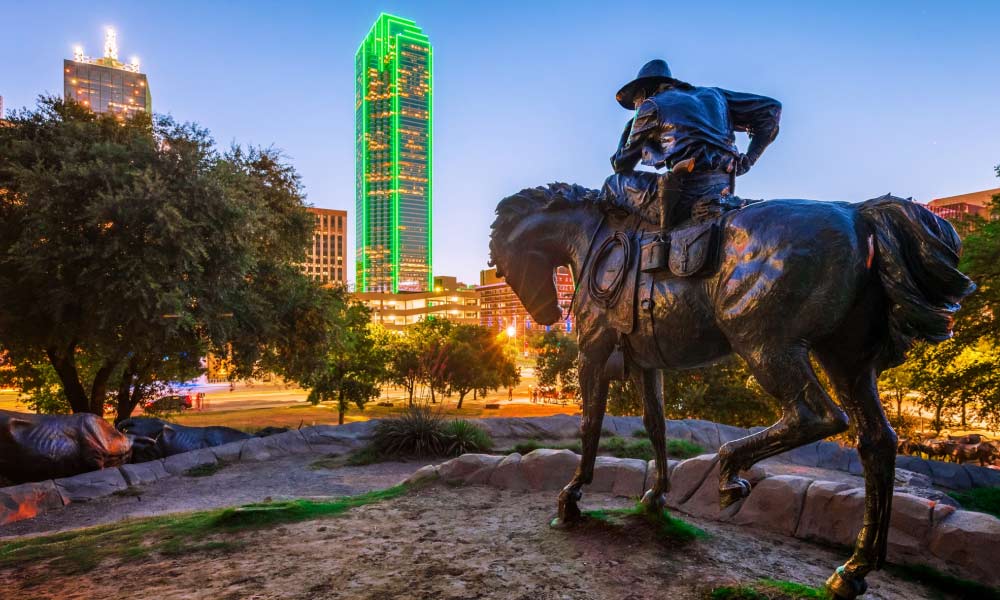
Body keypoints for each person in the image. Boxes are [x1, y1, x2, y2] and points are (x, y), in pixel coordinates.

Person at [602, 59, 781, 237]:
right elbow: (771, 109)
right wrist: (749, 159)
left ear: (642, 92)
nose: (635, 107)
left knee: (612, 183)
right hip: (724, 186)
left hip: (686, 193)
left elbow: (622, 165)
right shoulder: (715, 95)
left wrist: (629, 129)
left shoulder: (651, 105)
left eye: (635, 102)